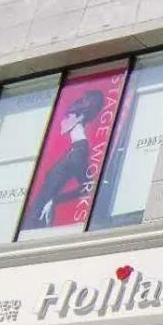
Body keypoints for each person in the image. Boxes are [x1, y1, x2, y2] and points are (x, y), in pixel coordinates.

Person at [24, 88, 105, 230]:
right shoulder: (74, 150)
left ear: (78, 116)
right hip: (34, 218)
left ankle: (41, 212)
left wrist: (54, 200)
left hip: (38, 220)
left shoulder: (78, 151)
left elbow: (88, 187)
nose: (63, 121)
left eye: (68, 116)